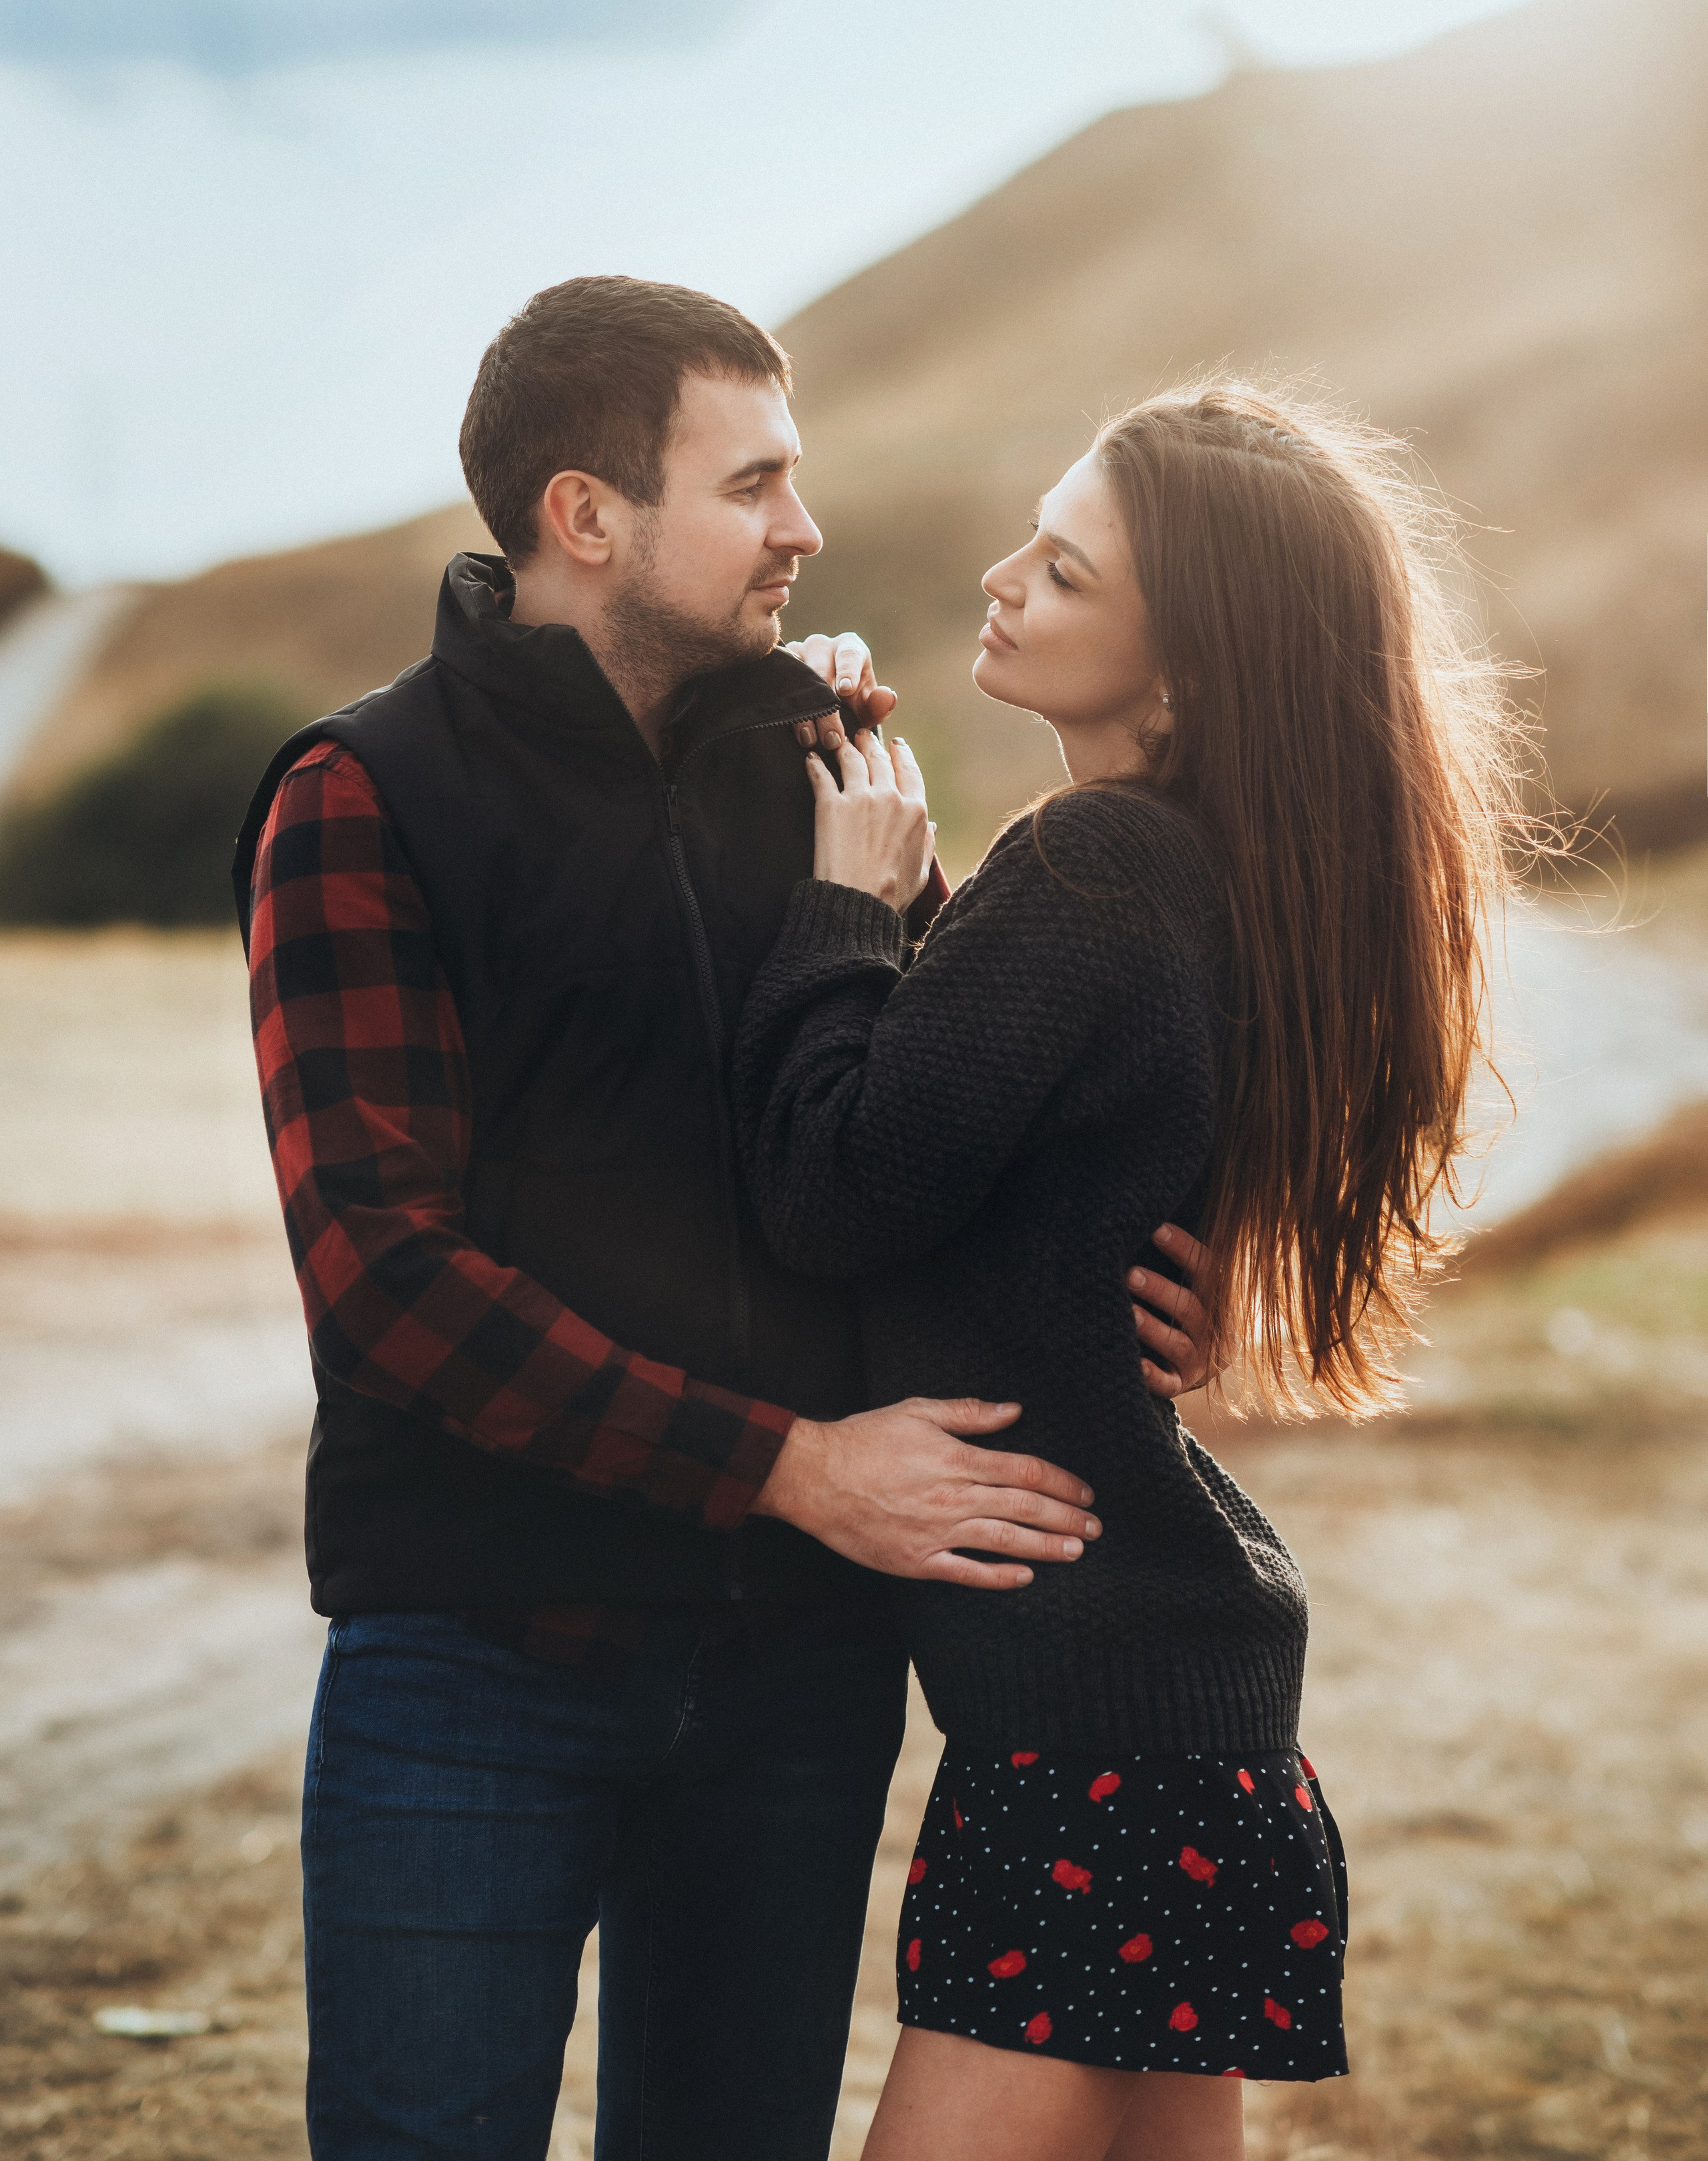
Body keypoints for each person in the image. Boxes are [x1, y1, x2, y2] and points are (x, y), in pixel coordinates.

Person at [234, 275, 1212, 2161]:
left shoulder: (825, 774)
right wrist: (788, 1466)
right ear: (586, 518)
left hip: (803, 1675)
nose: (804, 527)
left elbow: (953, 1161)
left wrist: (1179, 1274)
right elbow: (383, 1282)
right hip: (476, 1654)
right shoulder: (363, 797)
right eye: (754, 482)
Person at [733, 381, 1522, 2161]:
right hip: (1184, 1703)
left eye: (1066, 571)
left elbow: (835, 1194)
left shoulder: (1097, 862)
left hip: (1093, 1732)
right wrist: (925, 913)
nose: (1004, 579)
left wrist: (846, 914)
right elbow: (1018, 1136)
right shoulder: (1201, 877)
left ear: (1181, 675)